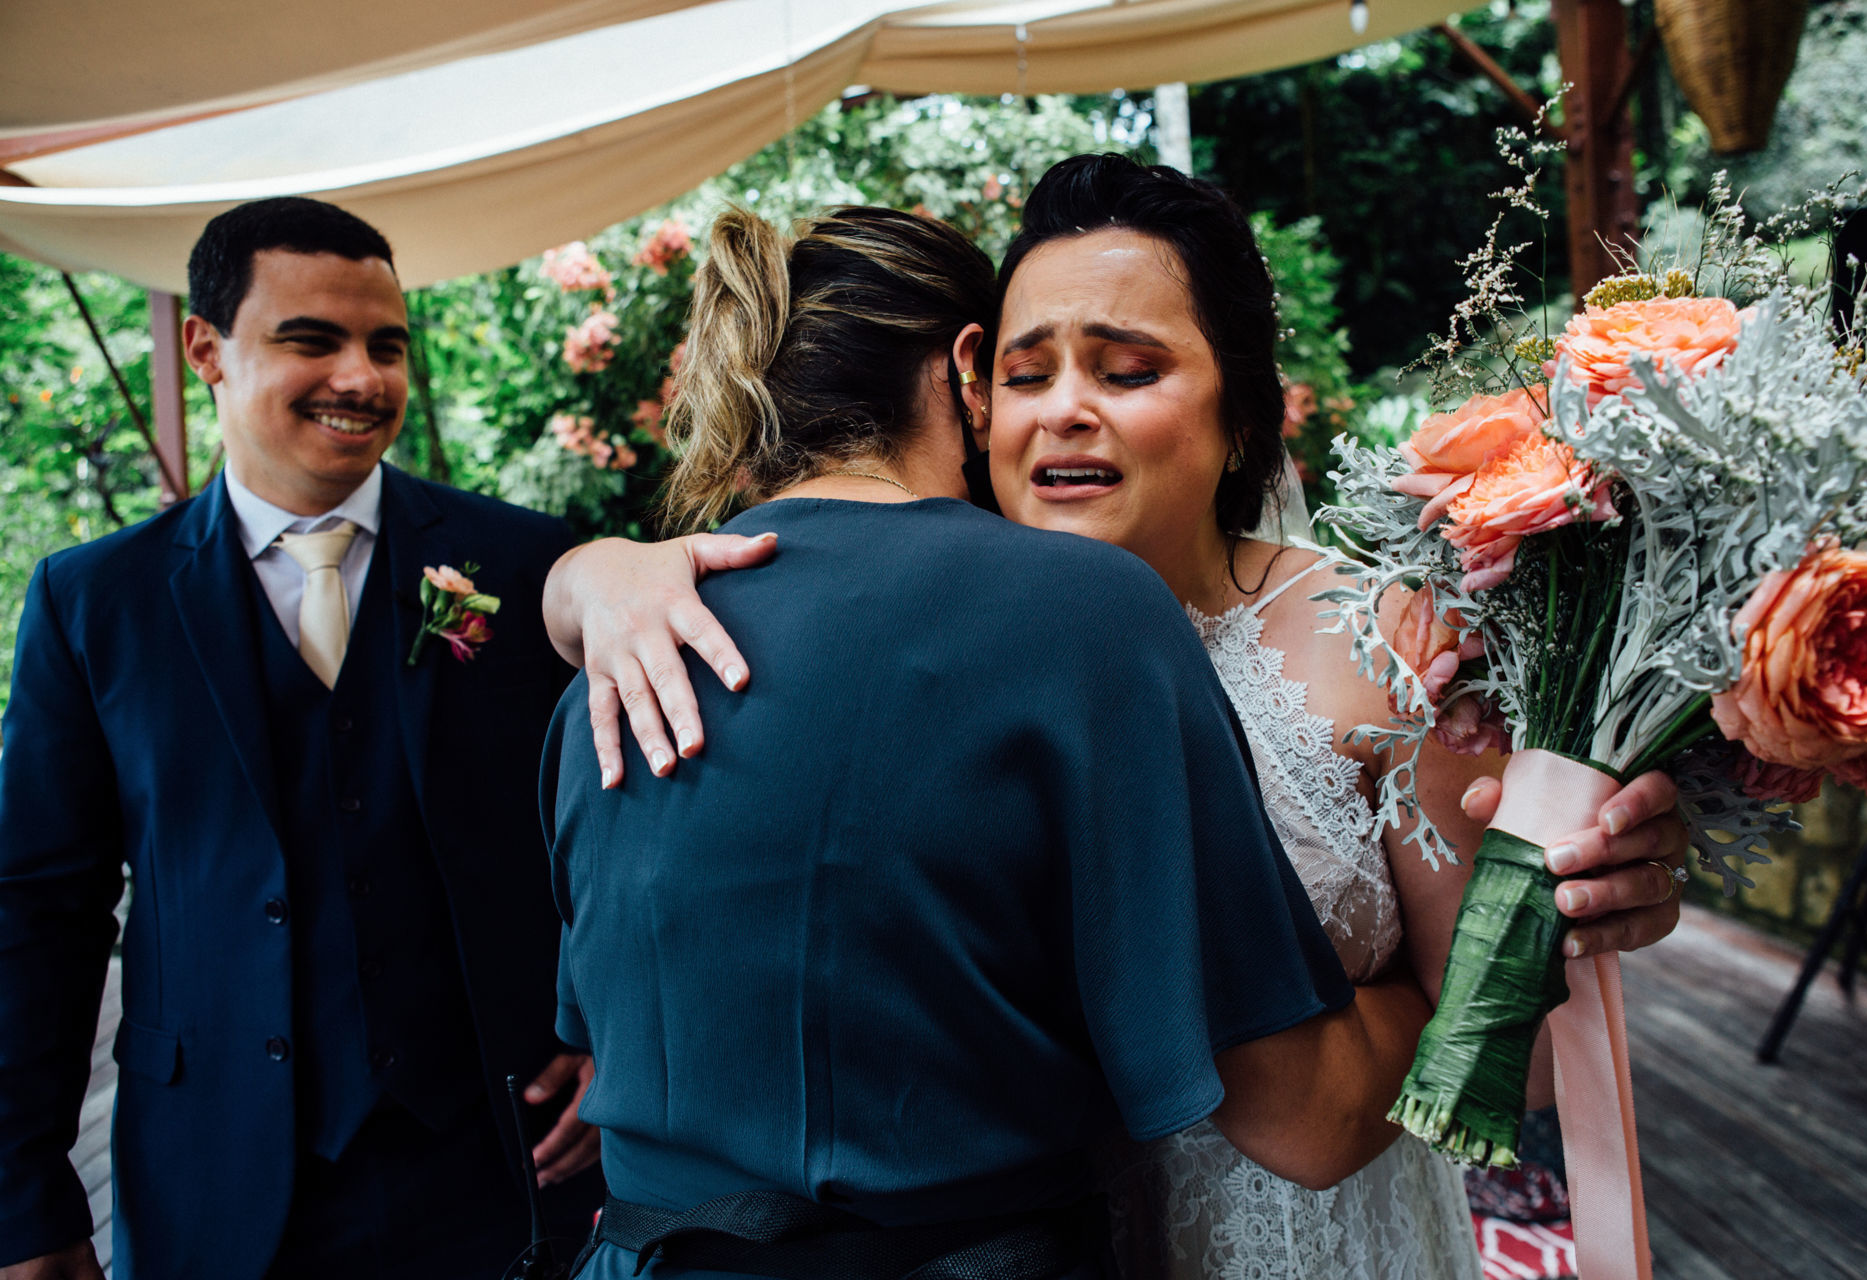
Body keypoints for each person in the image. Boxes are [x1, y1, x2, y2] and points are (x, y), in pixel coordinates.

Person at [544, 158, 1691, 1278]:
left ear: (1242, 411)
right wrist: (590, 579)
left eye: (1129, 370)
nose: (1065, 414)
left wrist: (1568, 897)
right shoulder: (898, 635)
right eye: (1026, 375)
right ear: (968, 388)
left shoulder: (1392, 641)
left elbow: (1520, 1059)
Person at [0, 197, 601, 1280]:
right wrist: (25, 1203)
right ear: (207, 350)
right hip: (214, 1182)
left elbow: (614, 835)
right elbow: (37, 912)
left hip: (498, 1165)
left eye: (385, 343)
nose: (363, 378)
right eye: (311, 339)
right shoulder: (94, 603)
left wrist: (616, 1042)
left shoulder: (521, 565)